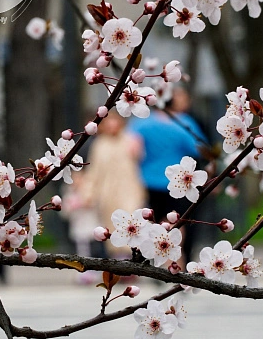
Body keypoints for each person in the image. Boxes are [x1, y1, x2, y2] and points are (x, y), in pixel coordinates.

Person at [129, 89, 207, 263]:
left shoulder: (141, 124)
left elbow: (132, 149)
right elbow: (200, 149)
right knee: (177, 222)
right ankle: (176, 261)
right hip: (178, 183)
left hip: (148, 180)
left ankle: (154, 258)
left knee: (153, 222)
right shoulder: (183, 122)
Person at [81, 111, 146, 258]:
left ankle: (132, 257)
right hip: (107, 191)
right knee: (112, 224)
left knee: (131, 221)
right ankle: (118, 259)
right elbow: (94, 172)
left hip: (130, 189)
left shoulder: (131, 140)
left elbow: (141, 161)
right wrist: (88, 193)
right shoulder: (99, 144)